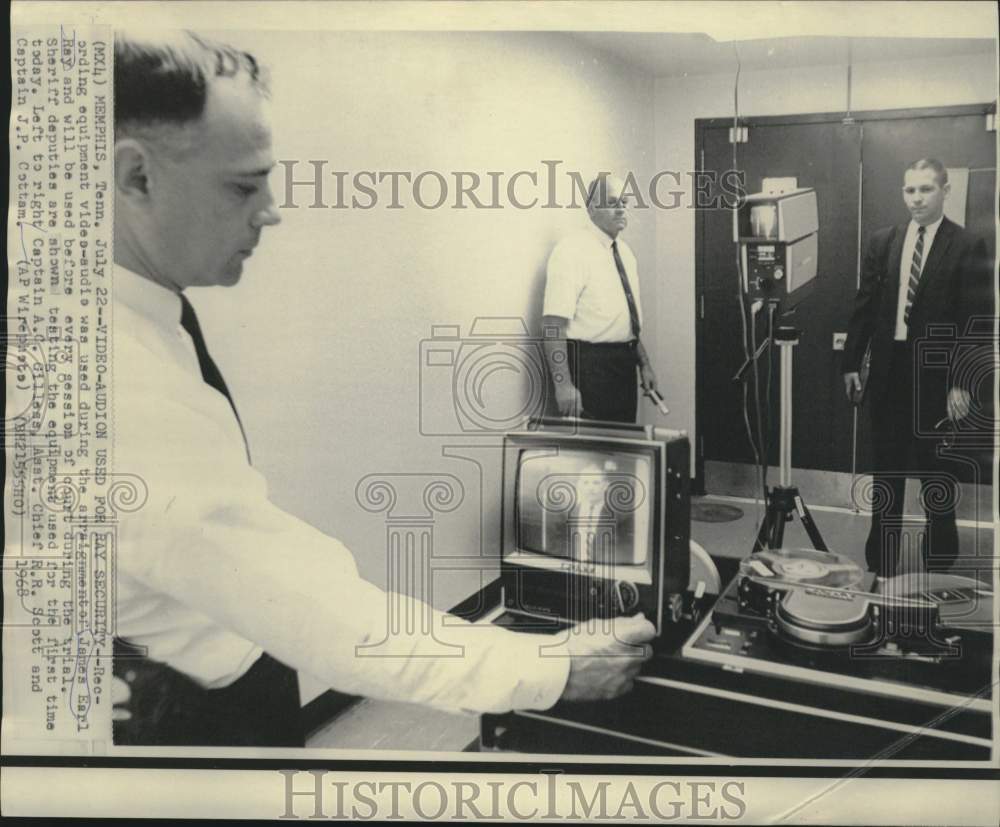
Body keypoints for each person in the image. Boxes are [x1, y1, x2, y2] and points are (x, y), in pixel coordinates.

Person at [110, 31, 655, 747]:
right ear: (137, 177)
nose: (271, 211)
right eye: (243, 185)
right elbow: (322, 615)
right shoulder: (123, 388)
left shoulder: (146, 317)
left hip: (224, 666)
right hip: (192, 717)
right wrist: (550, 667)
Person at [842, 158, 991, 578]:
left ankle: (939, 566)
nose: (917, 198)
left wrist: (962, 383)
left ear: (945, 191)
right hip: (889, 377)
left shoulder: (966, 245)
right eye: (910, 190)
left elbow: (977, 320)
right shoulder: (884, 242)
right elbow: (865, 307)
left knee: (937, 481)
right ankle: (883, 565)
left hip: (938, 382)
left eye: (926, 189)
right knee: (886, 479)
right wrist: (851, 362)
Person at [542, 175, 659, 423]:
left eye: (624, 202)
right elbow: (553, 325)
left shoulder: (625, 253)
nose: (621, 209)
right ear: (592, 208)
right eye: (612, 202)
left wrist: (644, 364)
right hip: (589, 369)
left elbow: (625, 322)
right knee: (591, 455)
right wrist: (563, 385)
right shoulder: (571, 251)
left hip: (623, 368)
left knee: (622, 452)